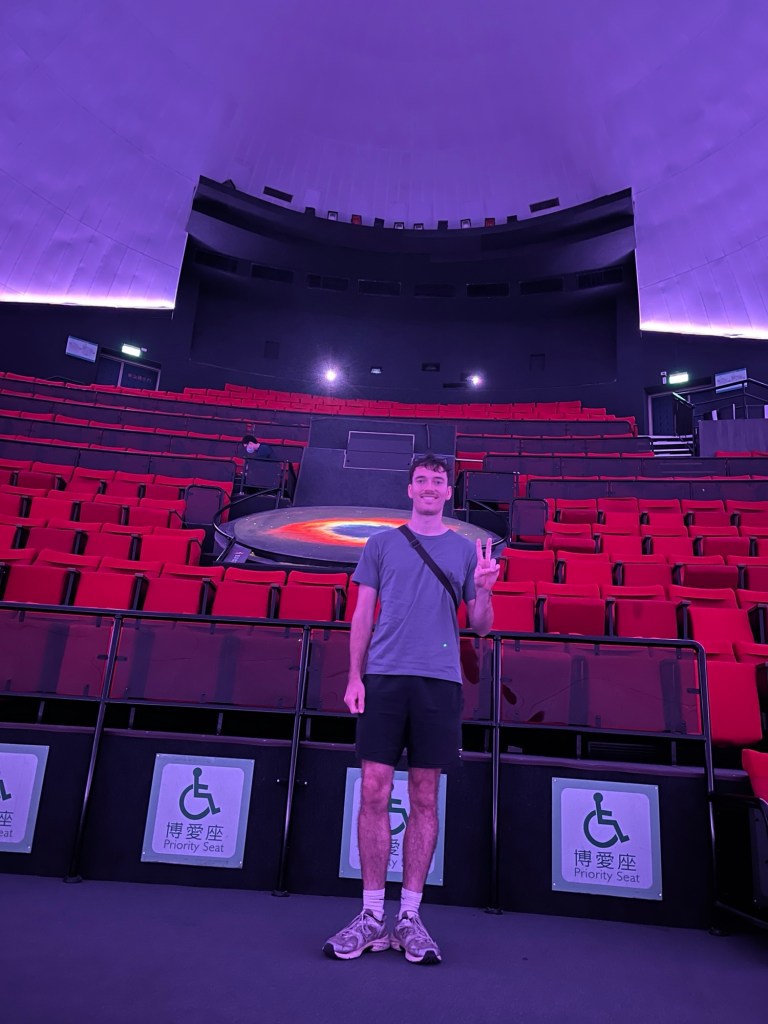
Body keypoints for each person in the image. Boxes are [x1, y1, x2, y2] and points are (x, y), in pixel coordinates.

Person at [323, 454, 499, 965]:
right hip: (383, 677)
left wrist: (484, 590)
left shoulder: (465, 550)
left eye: (437, 482)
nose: (428, 487)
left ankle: (410, 918)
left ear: (448, 492)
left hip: (439, 682)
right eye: (421, 480)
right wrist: (354, 676)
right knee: (373, 790)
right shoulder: (381, 544)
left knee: (425, 796)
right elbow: (362, 614)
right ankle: (371, 915)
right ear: (409, 489)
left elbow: (481, 625)